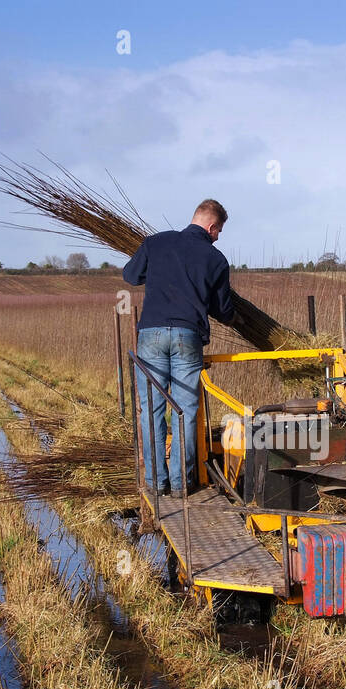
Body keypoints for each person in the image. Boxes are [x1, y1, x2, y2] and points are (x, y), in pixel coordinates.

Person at [123, 198, 234, 498]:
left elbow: (130, 276)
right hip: (188, 336)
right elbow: (225, 311)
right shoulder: (216, 259)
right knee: (183, 411)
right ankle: (182, 484)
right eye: (219, 231)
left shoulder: (155, 243)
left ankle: (156, 483)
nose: (218, 237)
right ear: (212, 226)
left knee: (152, 410)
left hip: (150, 336)